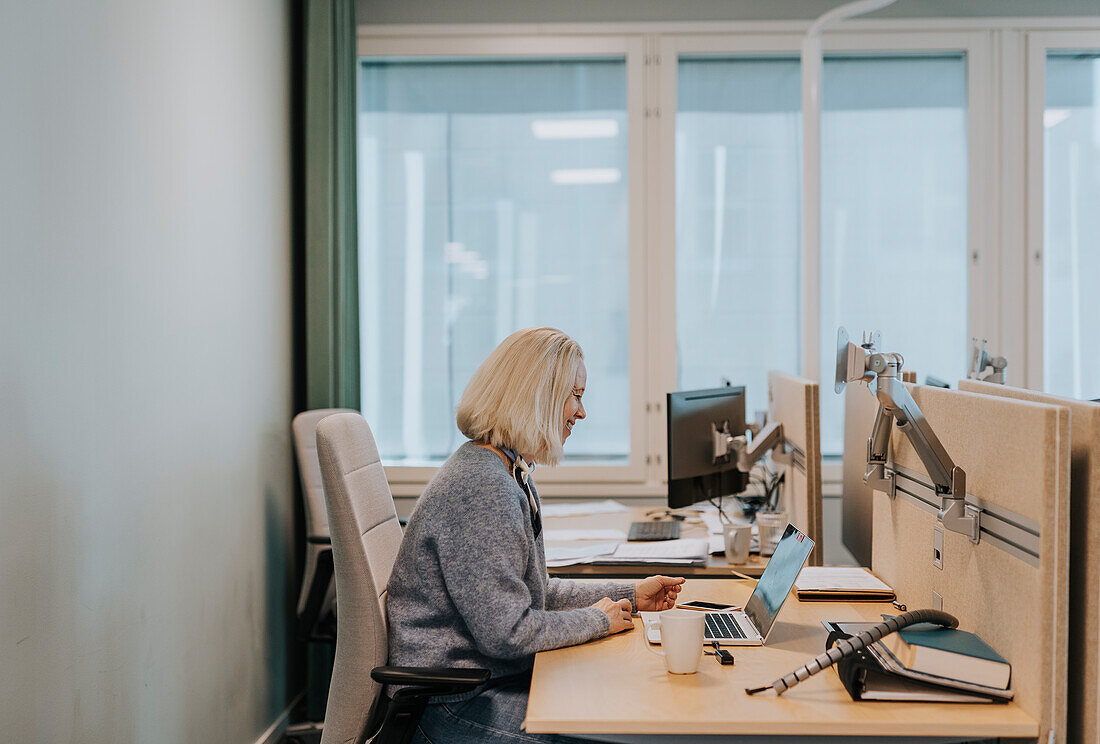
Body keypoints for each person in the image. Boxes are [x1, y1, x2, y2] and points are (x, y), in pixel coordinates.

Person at [386, 327, 685, 744]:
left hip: (484, 683)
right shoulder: (483, 489)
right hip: (453, 703)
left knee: (623, 707)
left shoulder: (508, 472)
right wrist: (599, 620)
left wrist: (630, 595)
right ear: (538, 397)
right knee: (615, 730)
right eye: (575, 395)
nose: (581, 413)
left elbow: (535, 593)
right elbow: (509, 633)